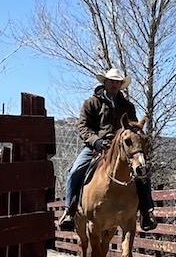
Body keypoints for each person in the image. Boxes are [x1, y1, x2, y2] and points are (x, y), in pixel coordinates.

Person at [58, 68, 157, 232]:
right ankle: (70, 210)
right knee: (75, 171)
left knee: (142, 172)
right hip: (96, 147)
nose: (115, 85)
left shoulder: (127, 106)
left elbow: (131, 128)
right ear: (105, 83)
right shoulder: (91, 103)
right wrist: (96, 141)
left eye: (118, 82)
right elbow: (83, 127)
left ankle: (146, 211)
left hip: (122, 148)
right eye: (112, 81)